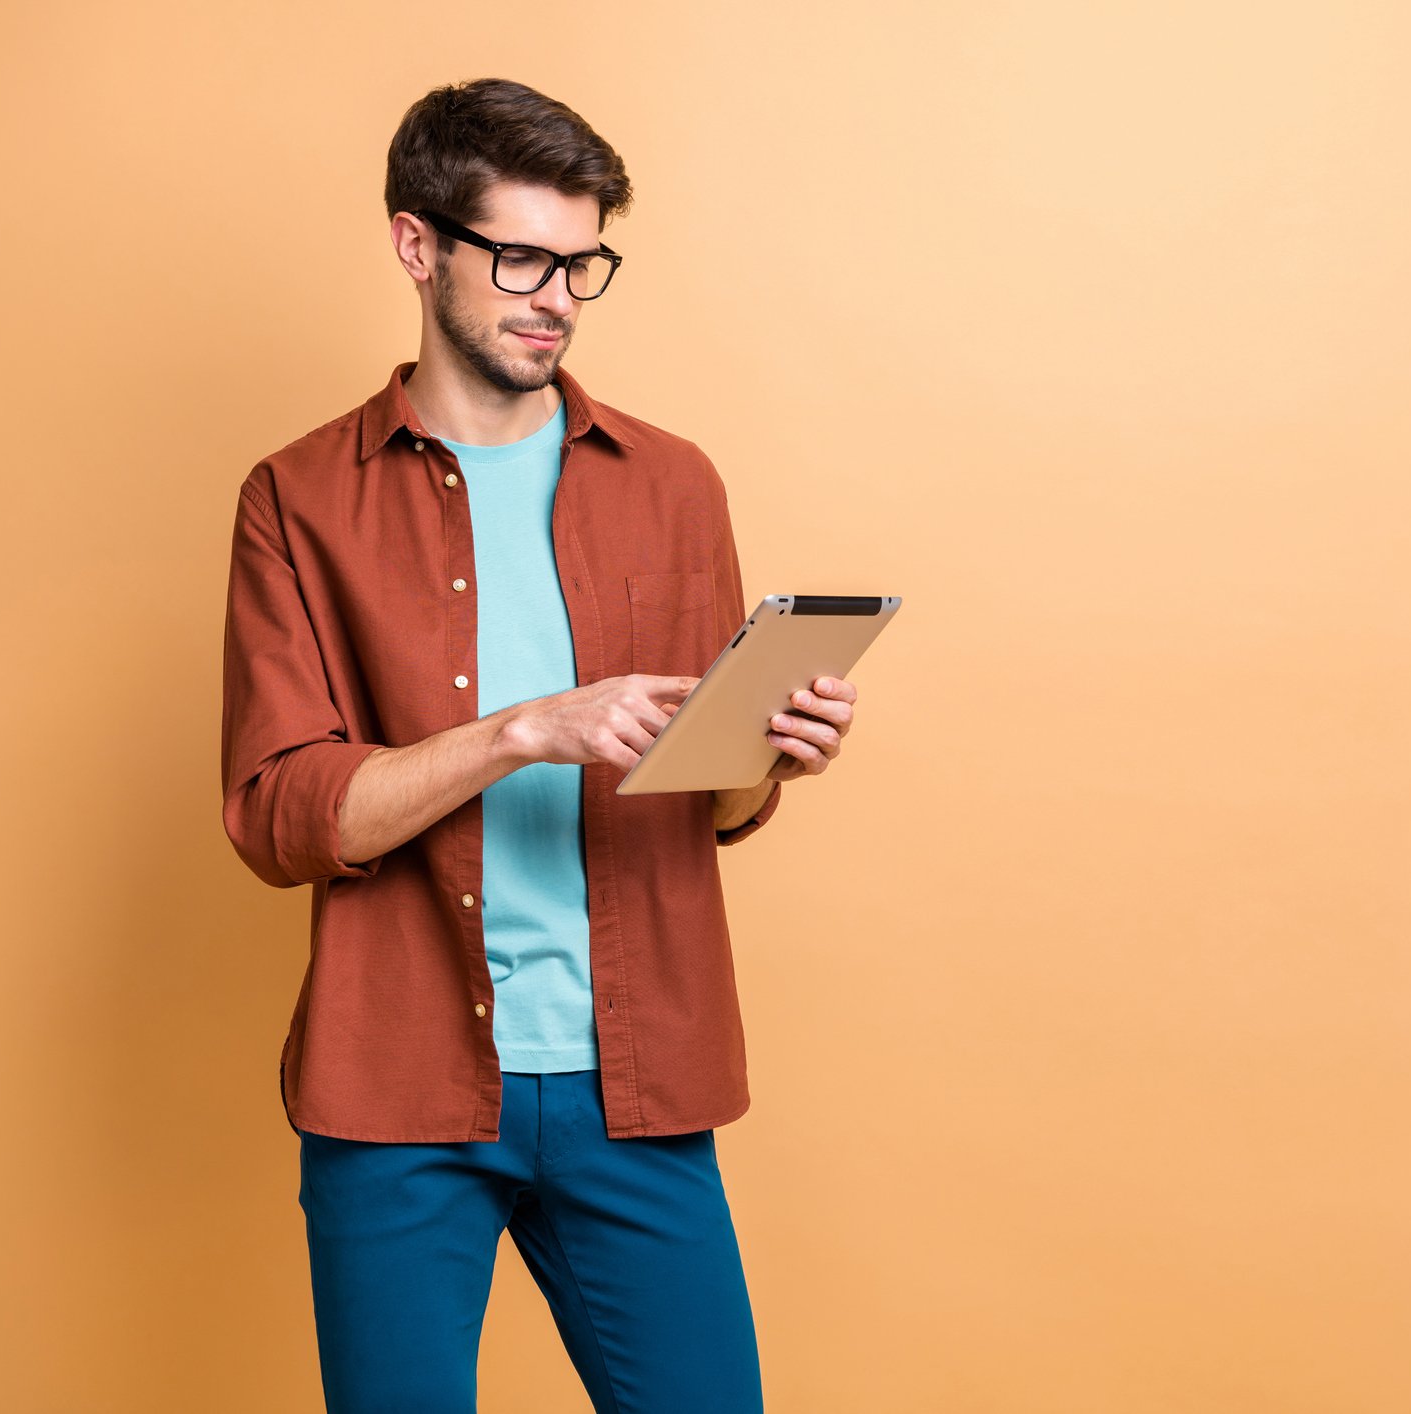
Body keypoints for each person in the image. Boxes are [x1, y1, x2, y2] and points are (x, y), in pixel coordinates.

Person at [218, 77, 858, 1413]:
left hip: (637, 1081)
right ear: (417, 245)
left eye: (581, 263)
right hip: (398, 1089)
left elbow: (715, 800)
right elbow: (284, 816)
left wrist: (771, 748)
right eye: (519, 256)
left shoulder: (672, 482)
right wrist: (519, 731)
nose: (554, 294)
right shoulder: (297, 497)